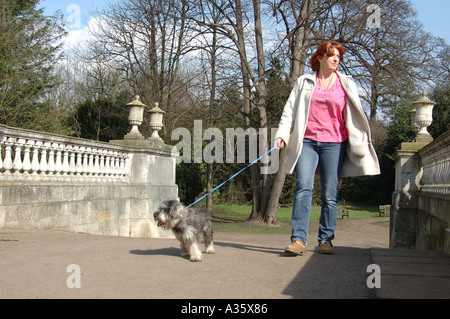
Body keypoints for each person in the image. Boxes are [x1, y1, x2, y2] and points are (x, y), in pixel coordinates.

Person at [274, 40, 380, 255]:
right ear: (320, 57)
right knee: (303, 187)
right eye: (331, 55)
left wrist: (360, 139)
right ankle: (298, 240)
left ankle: (326, 240)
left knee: (329, 193)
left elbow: (355, 115)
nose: (335, 59)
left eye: (338, 57)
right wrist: (282, 135)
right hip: (307, 142)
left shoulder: (346, 83)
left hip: (334, 143)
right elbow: (289, 112)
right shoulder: (304, 82)